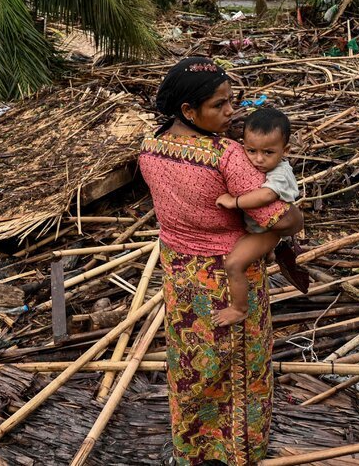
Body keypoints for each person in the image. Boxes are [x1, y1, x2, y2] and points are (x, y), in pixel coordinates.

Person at [138, 57, 304, 466]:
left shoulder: (150, 148)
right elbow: (279, 219)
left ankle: (192, 446)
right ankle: (238, 452)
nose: (232, 112)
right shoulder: (227, 155)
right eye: (220, 105)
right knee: (240, 364)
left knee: (191, 361)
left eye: (232, 101)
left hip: (178, 272)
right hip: (229, 274)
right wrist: (297, 216)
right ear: (189, 112)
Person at [213, 108, 300, 327]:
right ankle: (268, 254)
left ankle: (239, 309)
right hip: (258, 229)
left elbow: (267, 195)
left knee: (233, 264)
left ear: (285, 150)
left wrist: (235, 202)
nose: (258, 159)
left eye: (268, 153)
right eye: (251, 151)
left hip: (268, 231)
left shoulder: (280, 174)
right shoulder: (252, 161)